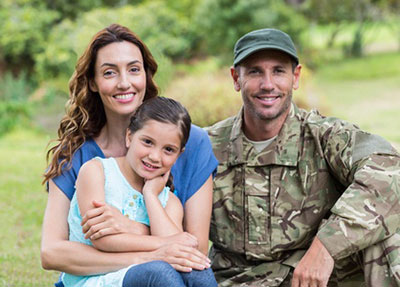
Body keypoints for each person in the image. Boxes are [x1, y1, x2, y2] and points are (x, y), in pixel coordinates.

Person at [206, 28, 400, 287]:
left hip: (314, 278)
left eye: (278, 71)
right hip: (236, 280)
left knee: (385, 232)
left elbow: (390, 172)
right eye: (254, 71)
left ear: (295, 77)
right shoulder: (205, 146)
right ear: (235, 78)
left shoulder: (323, 135)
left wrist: (326, 246)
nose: (268, 84)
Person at [41, 24, 218, 287]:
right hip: (103, 280)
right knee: (159, 272)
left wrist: (130, 227)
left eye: (134, 69)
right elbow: (52, 252)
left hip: (166, 274)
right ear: (92, 81)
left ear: (146, 75)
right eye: (110, 72)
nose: (124, 82)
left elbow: (194, 248)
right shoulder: (79, 157)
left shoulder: (192, 142)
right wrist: (152, 252)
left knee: (195, 270)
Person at [62, 96, 217, 286]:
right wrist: (162, 246)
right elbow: (103, 240)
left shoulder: (169, 202)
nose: (154, 156)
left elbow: (183, 251)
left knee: (195, 268)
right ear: (129, 137)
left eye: (168, 150)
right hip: (95, 279)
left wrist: (151, 196)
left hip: (144, 276)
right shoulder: (97, 172)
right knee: (159, 272)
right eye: (147, 142)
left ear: (179, 154)